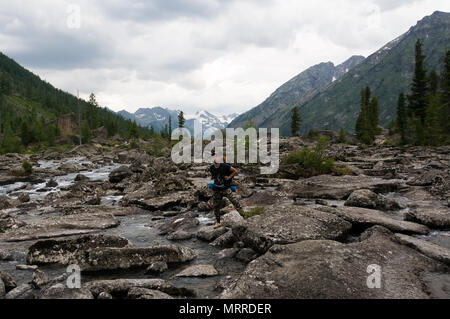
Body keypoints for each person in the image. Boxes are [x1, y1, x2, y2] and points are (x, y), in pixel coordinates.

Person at [210, 157, 242, 228]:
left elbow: (235, 171)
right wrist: (212, 177)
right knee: (216, 206)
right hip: (216, 189)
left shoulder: (225, 166)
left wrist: (229, 177)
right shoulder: (211, 167)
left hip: (226, 188)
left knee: (234, 201)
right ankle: (218, 222)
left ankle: (244, 216)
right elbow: (212, 175)